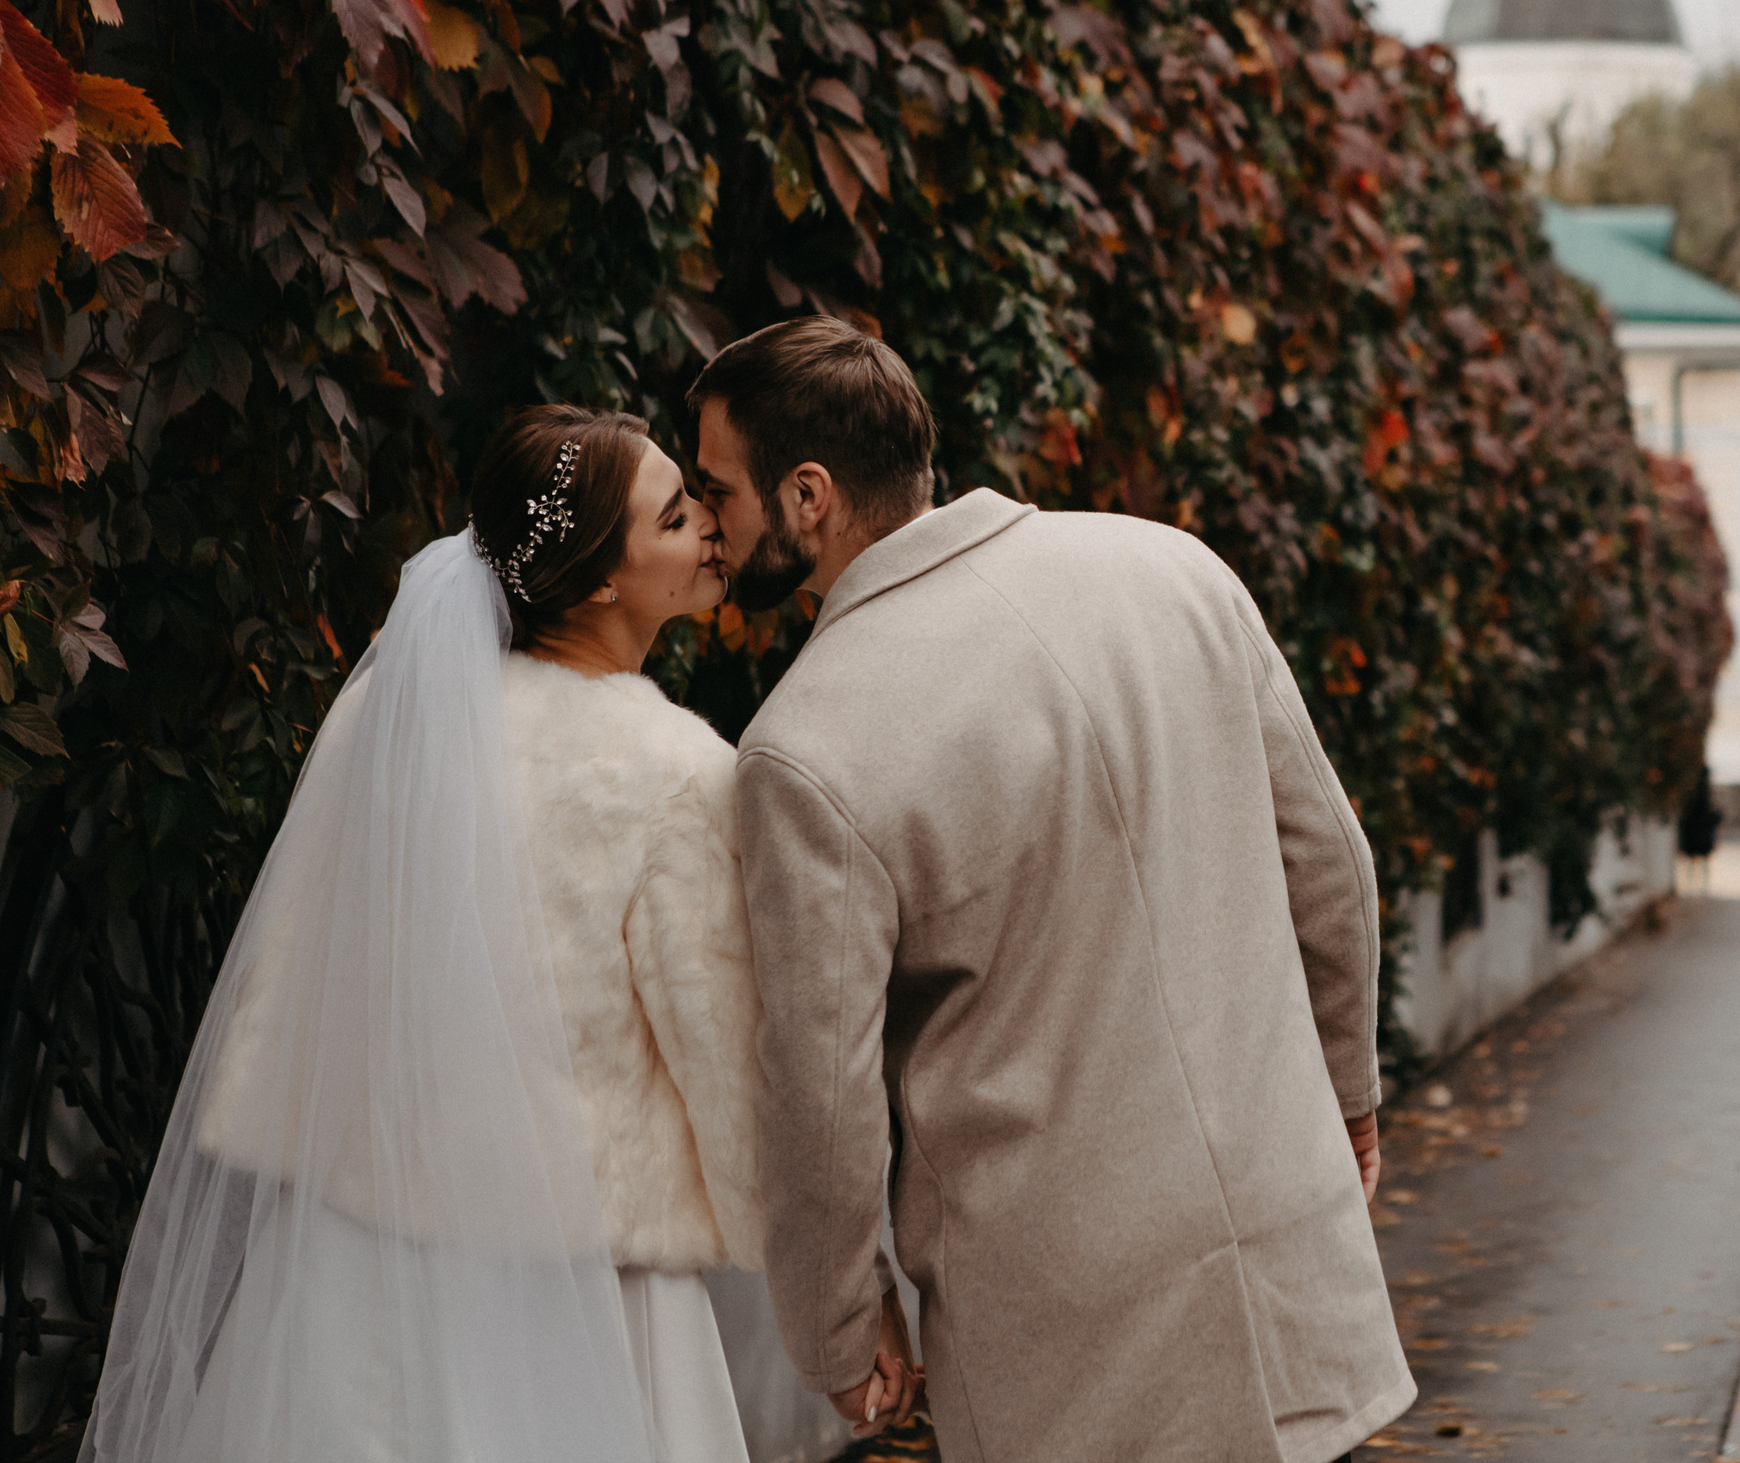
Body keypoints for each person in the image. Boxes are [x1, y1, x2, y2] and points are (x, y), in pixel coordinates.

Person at [86, 405, 910, 1463]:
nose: (712, 528)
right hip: (583, 1293)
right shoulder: (674, 775)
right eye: (675, 519)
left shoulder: (396, 724)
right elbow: (732, 1072)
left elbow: (302, 984)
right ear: (603, 580)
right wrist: (823, 1285)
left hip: (352, 1266)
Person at [693, 317, 1415, 1463]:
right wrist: (1347, 1098)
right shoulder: (1170, 567)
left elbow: (818, 1092)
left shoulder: (804, 746)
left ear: (809, 496)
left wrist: (837, 1326)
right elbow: (1332, 863)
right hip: (1280, 1246)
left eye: (717, 489)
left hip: (1064, 1326)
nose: (712, 526)